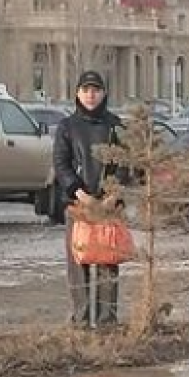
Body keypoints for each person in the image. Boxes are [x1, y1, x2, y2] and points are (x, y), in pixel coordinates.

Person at [53, 70, 128, 328]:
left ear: (104, 93)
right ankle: (81, 321)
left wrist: (112, 194)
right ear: (77, 93)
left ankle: (108, 322)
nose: (90, 95)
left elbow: (124, 164)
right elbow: (61, 164)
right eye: (86, 90)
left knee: (107, 261)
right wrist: (79, 193)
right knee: (79, 261)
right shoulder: (67, 127)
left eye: (95, 89)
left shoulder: (115, 125)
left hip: (108, 204)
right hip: (78, 204)